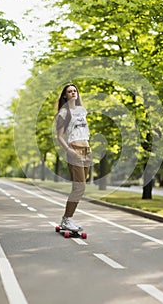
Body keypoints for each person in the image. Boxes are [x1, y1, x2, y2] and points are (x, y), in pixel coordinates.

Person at [56, 83, 92, 231]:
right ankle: (67, 219)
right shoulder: (63, 113)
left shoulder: (82, 110)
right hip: (74, 149)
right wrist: (68, 150)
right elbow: (59, 136)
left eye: (74, 91)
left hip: (87, 149)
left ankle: (67, 219)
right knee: (79, 187)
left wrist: (88, 148)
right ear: (65, 95)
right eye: (69, 91)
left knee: (81, 188)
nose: (73, 93)